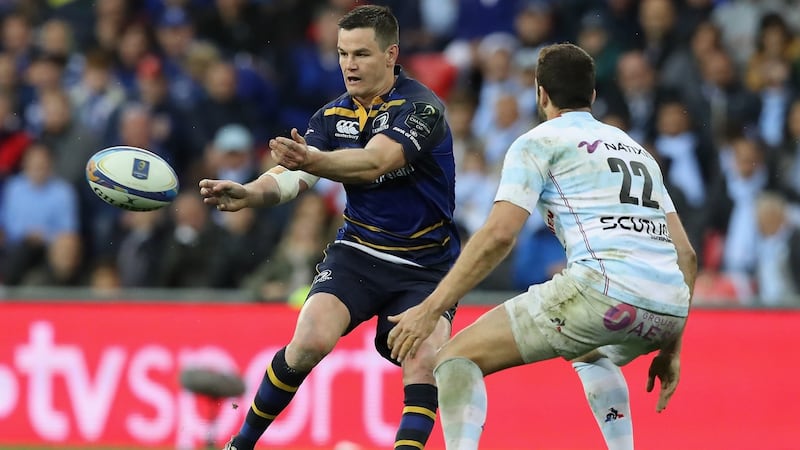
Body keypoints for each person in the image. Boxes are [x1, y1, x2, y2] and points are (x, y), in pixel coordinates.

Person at [387, 43, 697, 450]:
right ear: (592, 96)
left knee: (454, 358)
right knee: (589, 351)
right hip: (669, 310)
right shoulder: (637, 151)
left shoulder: (538, 142)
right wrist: (671, 348)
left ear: (541, 94)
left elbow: (499, 235)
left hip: (603, 293)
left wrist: (431, 309)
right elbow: (686, 255)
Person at [199, 5, 461, 450]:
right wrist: (250, 192)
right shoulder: (331, 116)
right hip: (359, 252)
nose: (349, 65)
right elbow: (294, 178)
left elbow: (375, 161)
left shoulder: (422, 108)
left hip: (426, 266)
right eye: (342, 53)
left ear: (391, 54)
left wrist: (313, 160)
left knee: (423, 361)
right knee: (308, 341)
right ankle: (239, 444)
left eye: (361, 53)